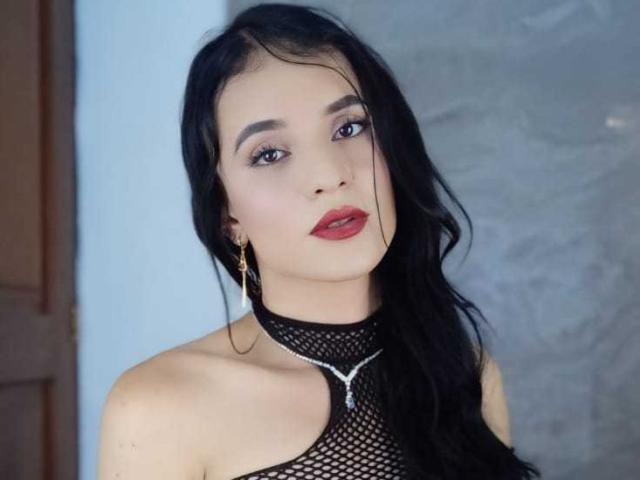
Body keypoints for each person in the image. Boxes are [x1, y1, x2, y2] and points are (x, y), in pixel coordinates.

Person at [97, 3, 541, 479]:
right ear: (228, 215)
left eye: (349, 127)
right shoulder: (158, 408)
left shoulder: (466, 375)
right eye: (269, 154)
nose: (330, 176)